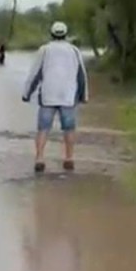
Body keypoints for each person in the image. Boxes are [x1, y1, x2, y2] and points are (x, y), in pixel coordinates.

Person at [21, 21, 89, 173]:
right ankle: (69, 158)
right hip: (68, 96)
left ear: (51, 34)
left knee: (43, 128)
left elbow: (35, 73)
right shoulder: (74, 51)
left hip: (48, 95)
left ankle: (39, 158)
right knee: (69, 129)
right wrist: (84, 96)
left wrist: (26, 93)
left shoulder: (44, 50)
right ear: (65, 34)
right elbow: (82, 75)